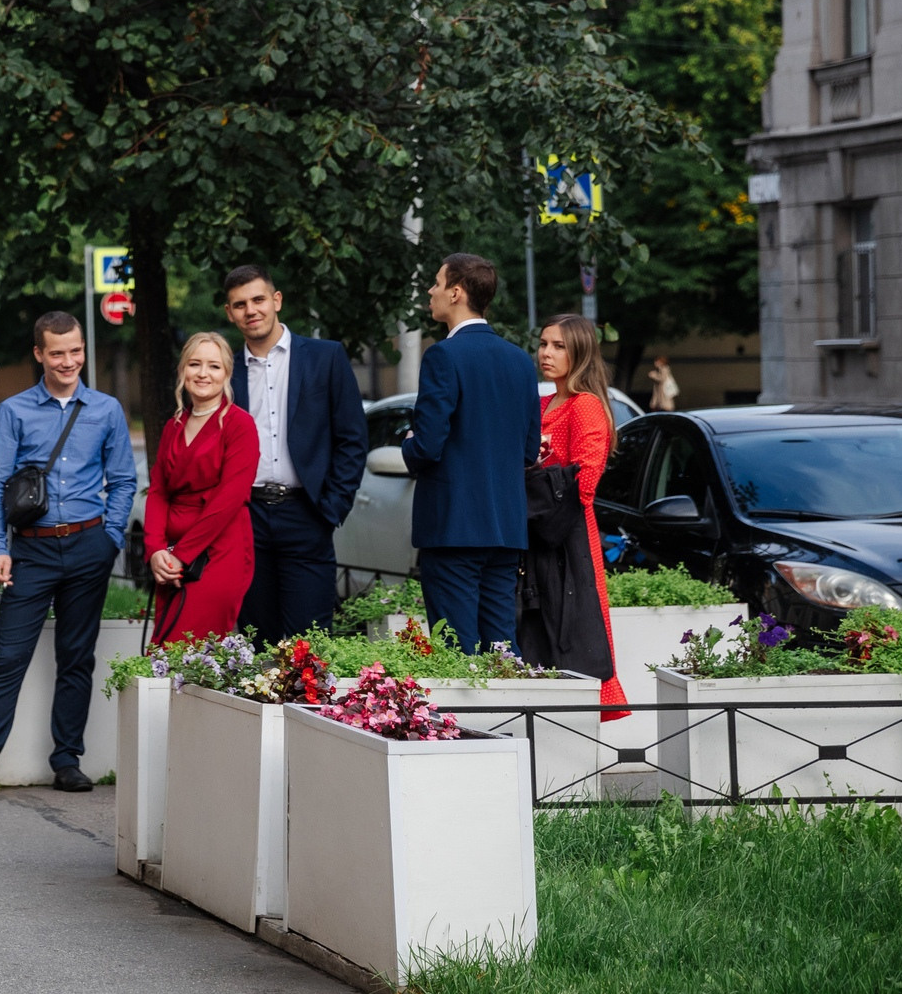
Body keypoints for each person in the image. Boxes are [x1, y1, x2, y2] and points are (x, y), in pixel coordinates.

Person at [0, 312, 136, 799]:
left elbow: (124, 478)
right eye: (57, 353)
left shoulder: (107, 409)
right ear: (39, 355)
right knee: (8, 658)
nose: (68, 361)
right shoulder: (14, 410)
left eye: (75, 351)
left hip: (89, 546)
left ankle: (67, 760)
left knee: (76, 658)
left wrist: (110, 536)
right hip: (31, 552)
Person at [400, 253, 541, 652]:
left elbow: (427, 446)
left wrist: (408, 444)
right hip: (506, 527)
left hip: (452, 527)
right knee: (501, 645)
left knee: (455, 648)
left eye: (437, 282)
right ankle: (511, 715)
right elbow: (529, 450)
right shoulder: (519, 360)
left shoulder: (443, 355)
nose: (431, 291)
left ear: (457, 292)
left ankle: (464, 719)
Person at [223, 265, 369, 640]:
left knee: (310, 639)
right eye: (240, 304)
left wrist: (332, 507)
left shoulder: (325, 357)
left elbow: (352, 438)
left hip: (307, 513)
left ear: (276, 301)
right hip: (246, 517)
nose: (250, 310)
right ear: (230, 312)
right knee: (257, 637)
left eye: (258, 300)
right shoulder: (224, 369)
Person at [536, 315, 629, 717]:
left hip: (567, 531)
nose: (546, 353)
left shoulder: (586, 406)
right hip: (538, 529)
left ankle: (583, 717)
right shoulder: (542, 403)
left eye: (558, 346)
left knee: (575, 624)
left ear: (580, 353)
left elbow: (585, 482)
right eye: (543, 344)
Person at [142, 332, 259, 643]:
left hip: (220, 552)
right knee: (164, 654)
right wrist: (155, 550)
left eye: (214, 366)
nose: (203, 374)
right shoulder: (173, 426)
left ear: (227, 374)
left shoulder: (240, 425)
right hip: (171, 557)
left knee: (190, 649)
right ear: (183, 371)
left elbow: (229, 500)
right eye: (195, 364)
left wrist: (182, 554)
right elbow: (158, 492)